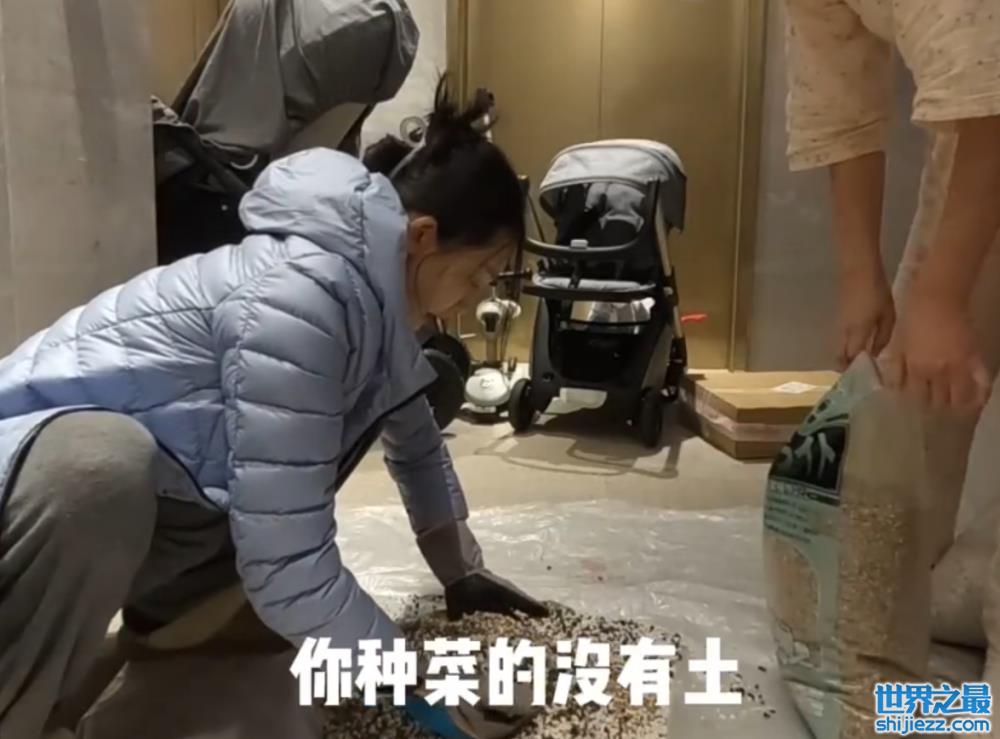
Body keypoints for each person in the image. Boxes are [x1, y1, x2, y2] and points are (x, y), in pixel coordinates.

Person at [0, 80, 547, 739]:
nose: (474, 297)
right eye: (479, 273)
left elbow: (417, 445)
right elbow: (286, 561)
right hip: (27, 478)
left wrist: (463, 572)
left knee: (276, 625)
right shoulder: (302, 298)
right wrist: (413, 684)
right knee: (102, 470)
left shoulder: (376, 309)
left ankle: (154, 635)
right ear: (424, 236)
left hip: (156, 505)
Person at [782, 0, 1000, 696]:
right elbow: (838, 99)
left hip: (990, 113)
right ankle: (881, 667)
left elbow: (992, 85)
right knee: (909, 393)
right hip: (972, 138)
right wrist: (861, 277)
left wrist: (941, 299)